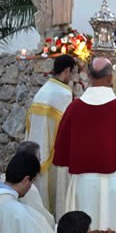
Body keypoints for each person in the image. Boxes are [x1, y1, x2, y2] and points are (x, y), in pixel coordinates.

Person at [53, 58, 116, 233]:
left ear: (89, 77)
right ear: (111, 78)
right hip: (113, 186)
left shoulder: (74, 108)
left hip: (83, 185)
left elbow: (62, 151)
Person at [25, 54, 75, 216]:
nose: (72, 77)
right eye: (72, 72)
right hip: (54, 153)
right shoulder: (63, 93)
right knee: (56, 190)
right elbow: (67, 127)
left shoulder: (43, 90)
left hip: (37, 151)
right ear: (67, 70)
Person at [0, 141, 55, 227]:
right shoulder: (29, 192)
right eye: (39, 160)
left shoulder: (3, 179)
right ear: (26, 180)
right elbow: (44, 221)